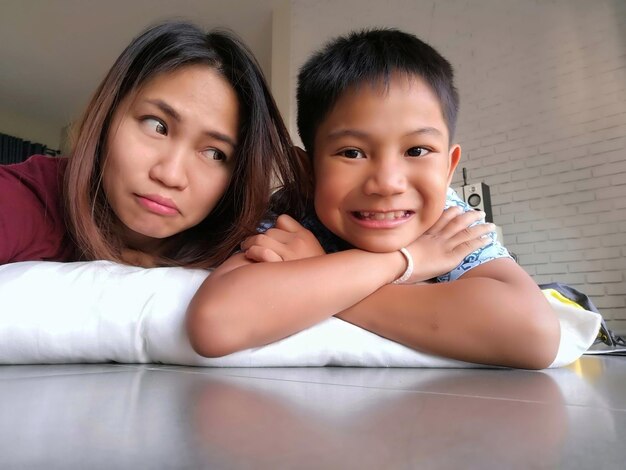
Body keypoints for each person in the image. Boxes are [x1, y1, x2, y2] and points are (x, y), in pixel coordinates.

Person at [186, 28, 560, 369]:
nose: (387, 183)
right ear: (308, 172)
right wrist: (407, 262)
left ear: (449, 168)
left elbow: (534, 334)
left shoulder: (448, 220)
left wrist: (321, 276)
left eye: (416, 151)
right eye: (352, 153)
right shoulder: (293, 211)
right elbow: (216, 323)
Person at [0, 21, 301, 268]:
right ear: (107, 116)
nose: (170, 175)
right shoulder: (35, 197)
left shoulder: (253, 243)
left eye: (214, 153)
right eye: (157, 126)